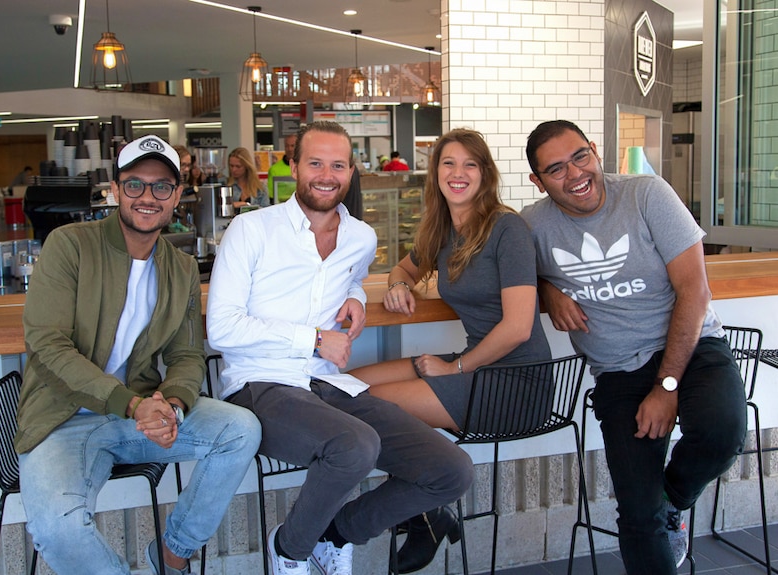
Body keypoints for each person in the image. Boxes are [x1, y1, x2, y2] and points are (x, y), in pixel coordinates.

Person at [206, 121, 474, 575]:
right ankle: (290, 550)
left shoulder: (360, 237)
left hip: (327, 383)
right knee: (355, 445)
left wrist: (353, 293)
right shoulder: (251, 230)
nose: (326, 175)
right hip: (260, 383)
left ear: (351, 172)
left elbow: (349, 274)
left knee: (451, 469)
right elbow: (221, 328)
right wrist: (312, 338)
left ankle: (333, 535)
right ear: (293, 167)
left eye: (337, 165)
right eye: (315, 163)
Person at [15, 135, 261, 575]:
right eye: (135, 185)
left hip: (140, 415)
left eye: (161, 186)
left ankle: (171, 556)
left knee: (240, 429)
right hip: (64, 419)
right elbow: (47, 345)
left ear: (177, 196)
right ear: (115, 190)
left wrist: (172, 404)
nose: (148, 197)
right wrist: (132, 404)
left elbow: (187, 353)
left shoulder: (180, 268)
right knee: (59, 531)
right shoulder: (69, 245)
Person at [520, 120, 747, 575]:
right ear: (538, 181)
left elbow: (694, 292)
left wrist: (666, 386)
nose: (575, 173)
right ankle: (656, 509)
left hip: (694, 346)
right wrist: (547, 288)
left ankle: (674, 501)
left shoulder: (646, 194)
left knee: (723, 433)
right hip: (619, 370)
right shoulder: (532, 225)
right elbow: (504, 272)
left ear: (596, 152)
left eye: (580, 156)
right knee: (637, 515)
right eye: (556, 169)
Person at [349, 128, 551, 573]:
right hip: (474, 367)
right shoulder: (443, 231)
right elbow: (402, 268)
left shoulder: (507, 228)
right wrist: (400, 284)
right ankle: (429, 507)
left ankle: (425, 511)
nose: (458, 174)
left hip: (515, 383)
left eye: (470, 165)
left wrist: (454, 367)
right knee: (348, 389)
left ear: (485, 173)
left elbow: (518, 327)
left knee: (373, 407)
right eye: (448, 164)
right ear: (435, 172)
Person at [267, 133, 297, 203]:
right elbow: (271, 195)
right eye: (287, 146)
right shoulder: (274, 169)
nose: (289, 149)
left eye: (292, 146)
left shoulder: (304, 167)